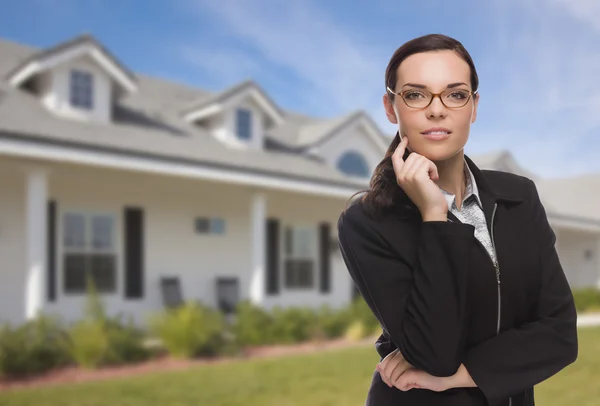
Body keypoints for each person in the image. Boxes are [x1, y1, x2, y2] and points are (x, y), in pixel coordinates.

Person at [337, 33, 578, 406]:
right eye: (416, 95)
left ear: (474, 106)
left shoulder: (519, 197)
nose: (437, 110)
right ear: (390, 107)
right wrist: (435, 216)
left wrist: (459, 377)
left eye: (455, 94)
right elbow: (434, 353)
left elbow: (560, 334)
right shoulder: (366, 222)